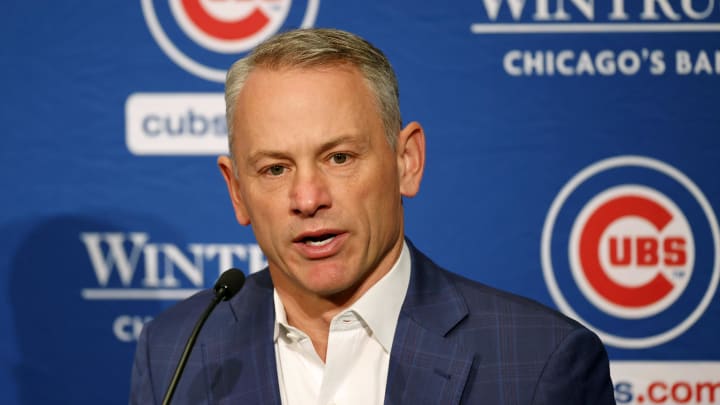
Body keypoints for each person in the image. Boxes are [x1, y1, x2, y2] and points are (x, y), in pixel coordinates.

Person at [130, 28, 616, 404]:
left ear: (407, 161)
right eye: (275, 168)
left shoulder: (540, 360)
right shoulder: (175, 353)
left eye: (339, 157)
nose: (307, 197)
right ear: (237, 191)